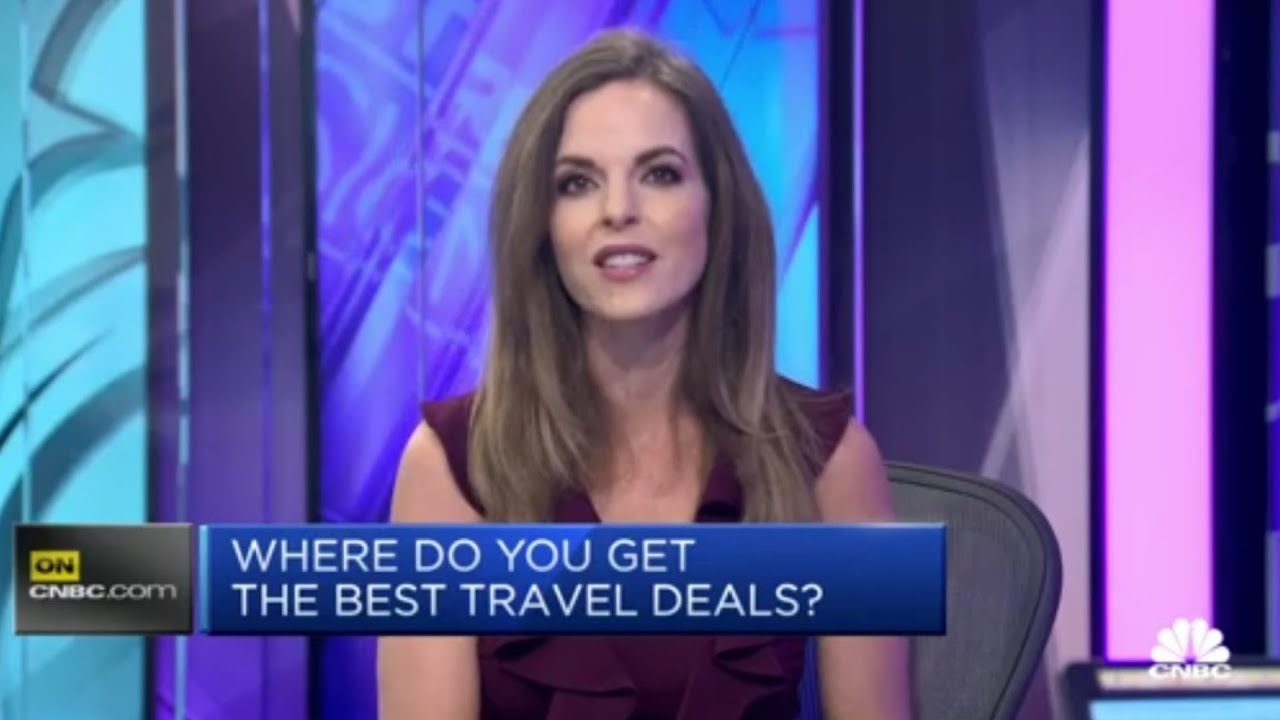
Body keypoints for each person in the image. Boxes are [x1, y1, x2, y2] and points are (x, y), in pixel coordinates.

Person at [378, 28, 912, 720]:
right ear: (540, 227)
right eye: (577, 183)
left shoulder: (828, 460)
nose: (618, 211)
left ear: (718, 208)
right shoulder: (450, 470)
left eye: (659, 173)